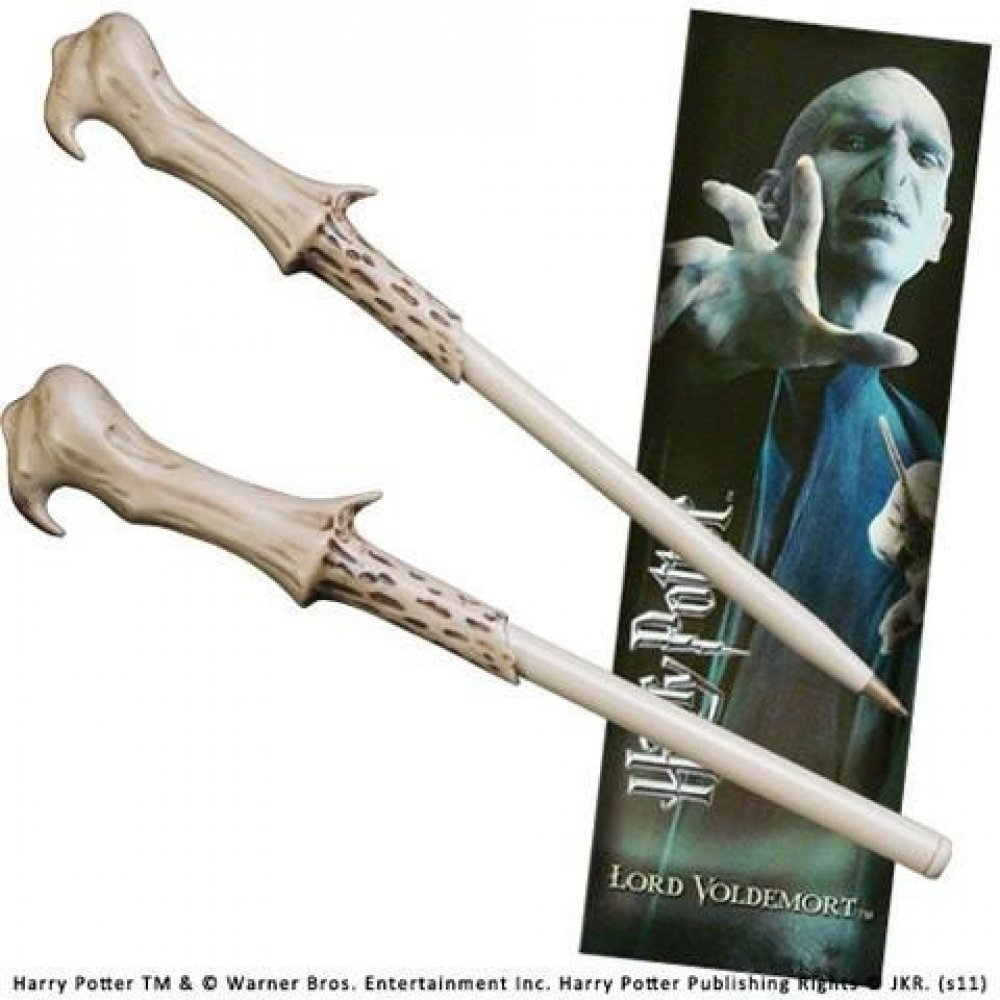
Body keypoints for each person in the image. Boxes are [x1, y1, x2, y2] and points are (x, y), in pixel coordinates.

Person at [658, 67, 953, 791]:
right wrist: (686, 356)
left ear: (940, 235)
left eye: (924, 155)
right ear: (770, 196)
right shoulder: (674, 329)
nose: (893, 171)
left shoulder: (932, 460)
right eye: (856, 140)